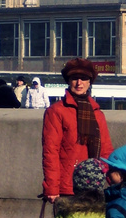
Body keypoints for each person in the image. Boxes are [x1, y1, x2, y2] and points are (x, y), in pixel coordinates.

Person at [41, 58, 113, 201]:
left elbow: (106, 151)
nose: (79, 83)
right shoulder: (57, 111)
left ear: (89, 82)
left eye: (84, 78)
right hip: (67, 186)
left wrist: (113, 184)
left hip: (93, 185)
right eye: (75, 78)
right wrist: (52, 187)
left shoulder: (97, 114)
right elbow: (50, 151)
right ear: (68, 81)